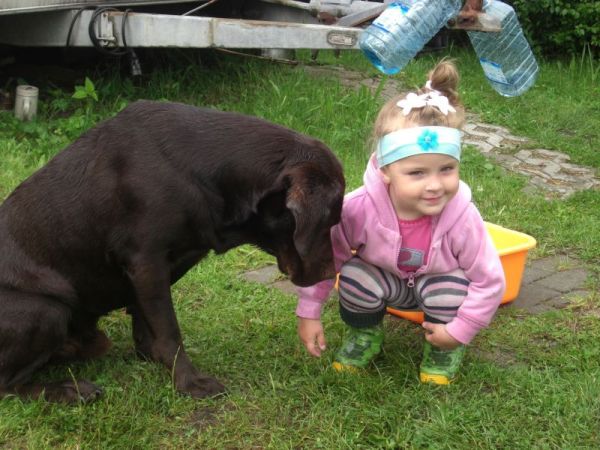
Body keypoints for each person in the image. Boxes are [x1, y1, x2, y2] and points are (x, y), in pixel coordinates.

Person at [296, 60, 506, 385]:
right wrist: (309, 311)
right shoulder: (357, 209)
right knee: (353, 275)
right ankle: (365, 336)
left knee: (453, 287)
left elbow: (489, 280)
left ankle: (443, 349)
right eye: (417, 173)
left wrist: (461, 330)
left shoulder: (462, 215)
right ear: (385, 171)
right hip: (385, 282)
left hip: (436, 287)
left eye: (446, 169)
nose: (435, 184)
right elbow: (326, 258)